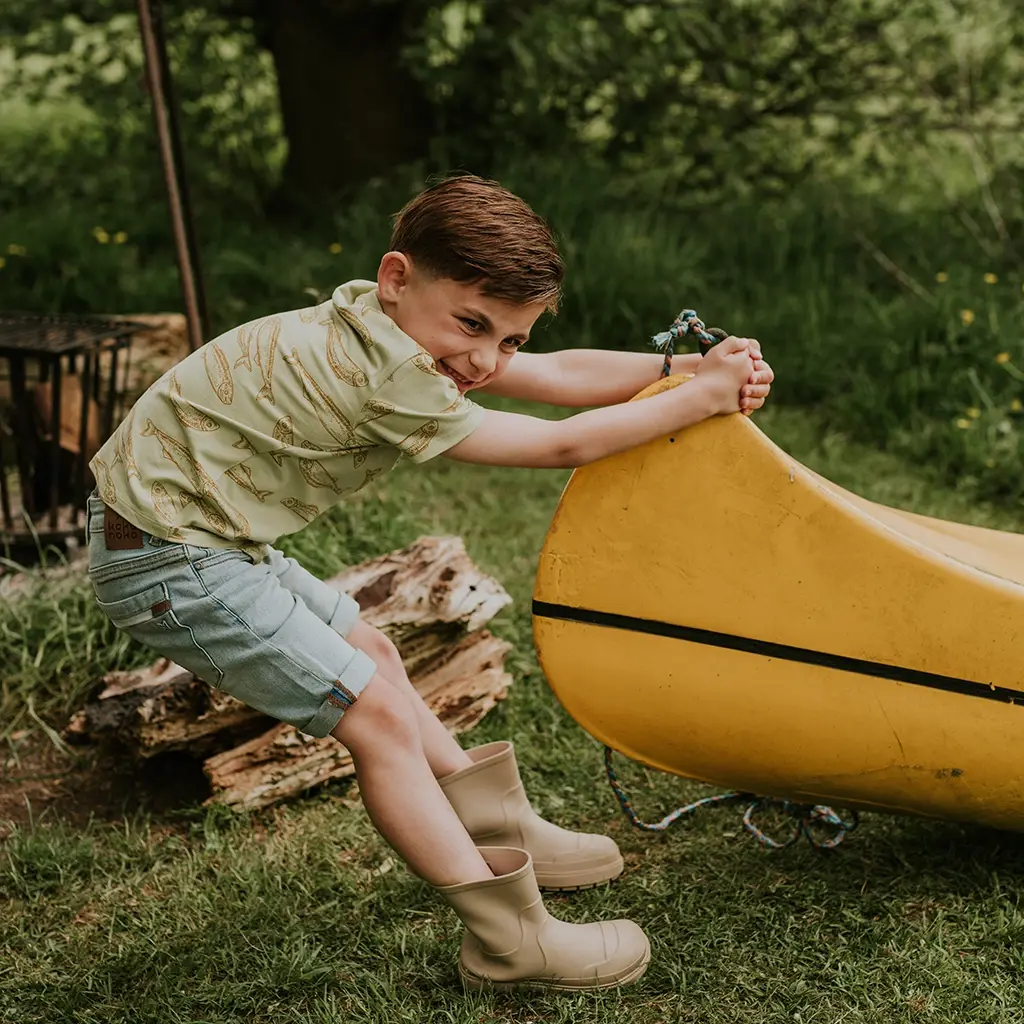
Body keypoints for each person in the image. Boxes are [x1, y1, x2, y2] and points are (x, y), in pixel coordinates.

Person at [85, 174, 773, 991]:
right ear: (397, 277)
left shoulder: (379, 322)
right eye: (473, 324)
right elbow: (560, 442)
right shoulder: (386, 374)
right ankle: (508, 940)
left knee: (372, 648)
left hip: (202, 536)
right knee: (373, 716)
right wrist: (699, 399)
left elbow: (553, 375)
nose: (486, 358)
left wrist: (686, 368)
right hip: (170, 556)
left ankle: (497, 823)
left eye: (507, 339)